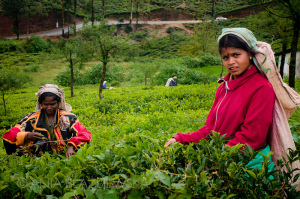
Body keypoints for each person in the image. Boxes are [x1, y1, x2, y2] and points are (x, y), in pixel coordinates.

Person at [164, 28, 276, 170]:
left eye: (236, 55)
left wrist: (216, 160)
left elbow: (251, 139)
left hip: (249, 167)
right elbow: (211, 130)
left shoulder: (261, 88)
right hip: (224, 160)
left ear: (250, 54)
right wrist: (181, 139)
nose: (231, 62)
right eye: (225, 57)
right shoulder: (223, 87)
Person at [2, 84, 91, 157]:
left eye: (53, 104)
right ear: (41, 103)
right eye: (45, 104)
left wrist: (72, 145)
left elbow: (85, 134)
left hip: (64, 156)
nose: (49, 108)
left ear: (58, 102)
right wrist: (26, 136)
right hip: (38, 159)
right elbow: (8, 135)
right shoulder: (31, 119)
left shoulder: (69, 118)